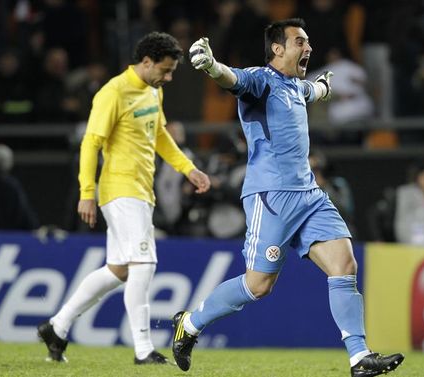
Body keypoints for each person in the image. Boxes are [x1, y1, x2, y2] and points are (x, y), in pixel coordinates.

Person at [171, 18, 404, 377]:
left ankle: (359, 358)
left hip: (309, 195)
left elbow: (314, 91)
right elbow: (232, 79)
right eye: (300, 41)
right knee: (258, 285)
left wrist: (324, 88)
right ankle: (191, 322)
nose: (308, 48)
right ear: (278, 49)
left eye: (308, 42)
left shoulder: (296, 87)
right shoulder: (260, 80)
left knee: (345, 266)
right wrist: (212, 66)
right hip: (271, 197)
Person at [37, 31, 211, 365]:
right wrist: (86, 192)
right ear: (146, 62)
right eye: (166, 69)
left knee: (118, 269)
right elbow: (91, 142)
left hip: (142, 192)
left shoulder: (152, 92)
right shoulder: (113, 92)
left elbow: (160, 136)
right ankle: (143, 349)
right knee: (144, 263)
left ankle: (56, 327)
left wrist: (189, 169)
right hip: (120, 189)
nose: (169, 77)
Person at [0, 144, 39, 230]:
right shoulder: (11, 186)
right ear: (9, 163)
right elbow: (25, 218)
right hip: (8, 236)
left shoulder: (11, 185)